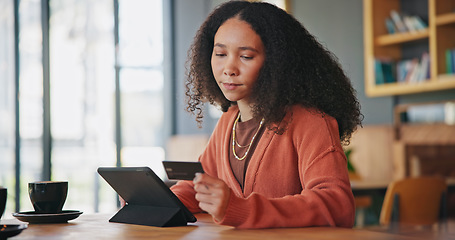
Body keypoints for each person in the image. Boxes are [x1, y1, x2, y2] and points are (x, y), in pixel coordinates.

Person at [170, 0, 363, 229]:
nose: (229, 68)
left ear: (276, 63)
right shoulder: (228, 122)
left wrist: (239, 209)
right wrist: (156, 200)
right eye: (220, 53)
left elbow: (337, 206)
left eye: (246, 56)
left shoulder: (312, 122)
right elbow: (197, 187)